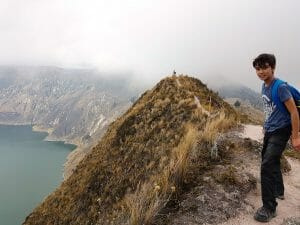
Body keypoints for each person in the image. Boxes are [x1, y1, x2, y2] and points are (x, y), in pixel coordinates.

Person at [252, 53, 300, 222]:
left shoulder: (280, 87)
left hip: (282, 130)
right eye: (258, 69)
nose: (261, 72)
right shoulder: (264, 86)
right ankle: (278, 191)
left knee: (266, 165)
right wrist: (266, 125)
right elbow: (269, 108)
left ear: (272, 67)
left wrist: (295, 137)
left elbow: (294, 112)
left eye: (265, 67)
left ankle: (269, 207)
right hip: (271, 129)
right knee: (270, 160)